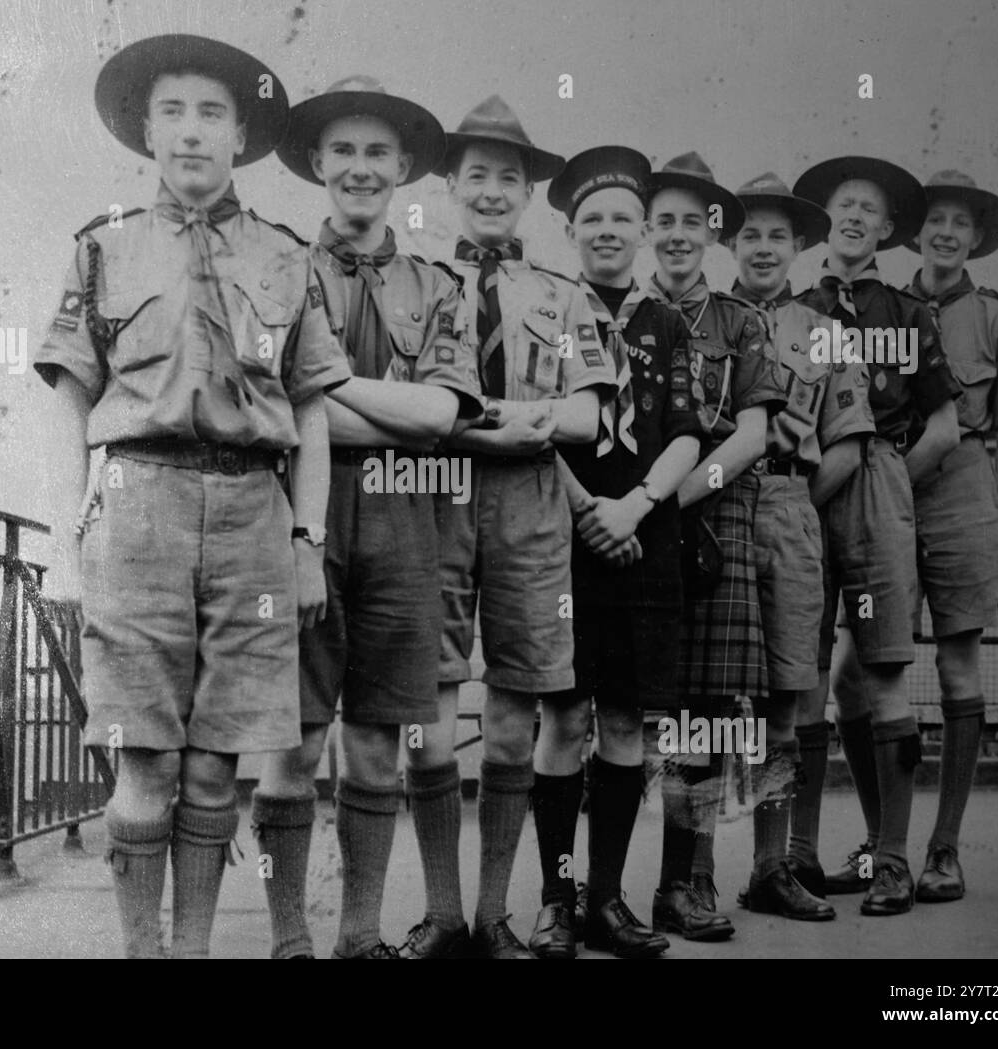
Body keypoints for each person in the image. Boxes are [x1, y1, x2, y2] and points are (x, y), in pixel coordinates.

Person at [33, 35, 351, 958]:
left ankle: (200, 949)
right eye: (172, 111)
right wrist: (64, 543)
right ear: (145, 129)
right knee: (143, 760)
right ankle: (146, 953)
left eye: (212, 113)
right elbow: (70, 402)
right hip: (138, 506)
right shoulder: (104, 247)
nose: (191, 132)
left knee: (217, 768)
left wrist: (305, 543)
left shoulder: (288, 258)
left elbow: (312, 412)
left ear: (241, 133)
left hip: (253, 511)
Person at [253, 76, 482, 960]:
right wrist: (370, 403)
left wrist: (329, 392)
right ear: (317, 163)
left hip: (404, 515)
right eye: (342, 151)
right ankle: (289, 939)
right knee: (296, 736)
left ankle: (357, 936)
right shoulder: (275, 267)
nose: (359, 168)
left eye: (376, 152)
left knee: (380, 741)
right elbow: (276, 411)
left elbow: (442, 416)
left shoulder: (437, 283)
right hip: (297, 514)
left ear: (404, 168)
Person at [400, 96, 615, 959]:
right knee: (427, 710)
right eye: (477, 174)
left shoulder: (563, 299)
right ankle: (443, 911)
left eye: (510, 178)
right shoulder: (413, 281)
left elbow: (586, 417)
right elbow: (409, 406)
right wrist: (514, 414)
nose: (492, 191)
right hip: (432, 497)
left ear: (529, 192)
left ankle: (494, 914)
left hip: (531, 503)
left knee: (518, 713)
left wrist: (497, 419)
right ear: (450, 184)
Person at [525, 145, 702, 959]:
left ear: (642, 230)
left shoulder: (667, 323)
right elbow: (532, 422)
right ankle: (555, 899)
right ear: (568, 229)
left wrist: (634, 506)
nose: (606, 231)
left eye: (621, 218)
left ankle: (607, 899)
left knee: (628, 722)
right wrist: (589, 507)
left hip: (645, 540)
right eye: (590, 218)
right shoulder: (550, 309)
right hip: (563, 535)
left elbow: (690, 435)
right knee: (562, 718)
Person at [792, 155, 961, 915]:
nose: (855, 217)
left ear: (890, 229)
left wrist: (885, 476)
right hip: (801, 487)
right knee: (800, 669)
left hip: (878, 484)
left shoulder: (907, 312)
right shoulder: (793, 309)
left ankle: (891, 858)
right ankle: (796, 859)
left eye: (870, 209)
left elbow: (946, 428)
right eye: (843, 204)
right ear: (824, 215)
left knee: (882, 667)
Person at [641, 153, 787, 942]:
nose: (676, 236)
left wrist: (670, 499)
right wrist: (638, 507)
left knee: (701, 711)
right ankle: (602, 889)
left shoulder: (740, 321)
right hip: (632, 521)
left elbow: (757, 434)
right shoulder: (622, 312)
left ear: (712, 232)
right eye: (661, 221)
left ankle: (686, 883)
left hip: (709, 517)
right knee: (638, 706)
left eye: (691, 223)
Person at [726, 173, 875, 920]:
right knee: (710, 699)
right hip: (714, 506)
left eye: (777, 236)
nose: (762, 247)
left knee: (788, 696)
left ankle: (770, 867)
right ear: (729, 240)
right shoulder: (705, 316)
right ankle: (684, 876)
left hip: (790, 504)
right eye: (748, 233)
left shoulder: (822, 330)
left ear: (799, 246)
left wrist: (787, 506)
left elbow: (847, 448)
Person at [896, 170, 998, 900]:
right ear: (915, 230)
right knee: (864, 670)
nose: (946, 232)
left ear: (976, 236)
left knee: (958, 670)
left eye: (960, 223)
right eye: (934, 220)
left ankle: (943, 848)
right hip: (889, 488)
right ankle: (884, 844)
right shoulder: (883, 309)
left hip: (967, 490)